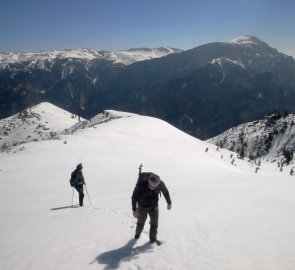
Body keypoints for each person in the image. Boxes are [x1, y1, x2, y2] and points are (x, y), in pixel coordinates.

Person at [131, 173, 172, 243]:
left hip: (154, 206)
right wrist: (134, 210)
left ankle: (153, 238)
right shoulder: (141, 184)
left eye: (155, 185)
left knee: (154, 223)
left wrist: (169, 202)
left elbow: (165, 192)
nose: (153, 187)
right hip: (142, 206)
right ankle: (137, 234)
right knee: (141, 222)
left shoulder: (161, 184)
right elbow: (134, 197)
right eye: (151, 185)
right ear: (148, 182)